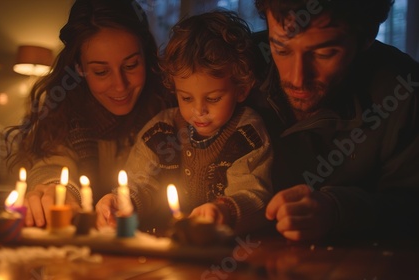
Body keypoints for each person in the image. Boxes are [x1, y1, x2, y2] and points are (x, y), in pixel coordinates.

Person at [246, 0, 419, 241]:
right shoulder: (233, 65)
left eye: (324, 53)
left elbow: (411, 209)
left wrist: (339, 210)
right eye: (282, 49)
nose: (298, 78)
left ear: (367, 36)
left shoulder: (403, 91)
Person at [95, 11, 273, 235]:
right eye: (186, 98)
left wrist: (224, 211)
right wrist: (123, 201)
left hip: (225, 252)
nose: (199, 111)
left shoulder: (246, 134)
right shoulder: (161, 131)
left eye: (213, 98)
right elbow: (142, 181)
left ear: (242, 89)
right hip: (163, 245)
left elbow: (253, 193)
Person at [5, 0, 173, 227]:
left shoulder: (174, 108)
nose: (120, 85)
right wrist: (58, 189)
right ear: (79, 67)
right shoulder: (65, 111)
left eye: (131, 65)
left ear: (146, 56)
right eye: (101, 71)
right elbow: (52, 161)